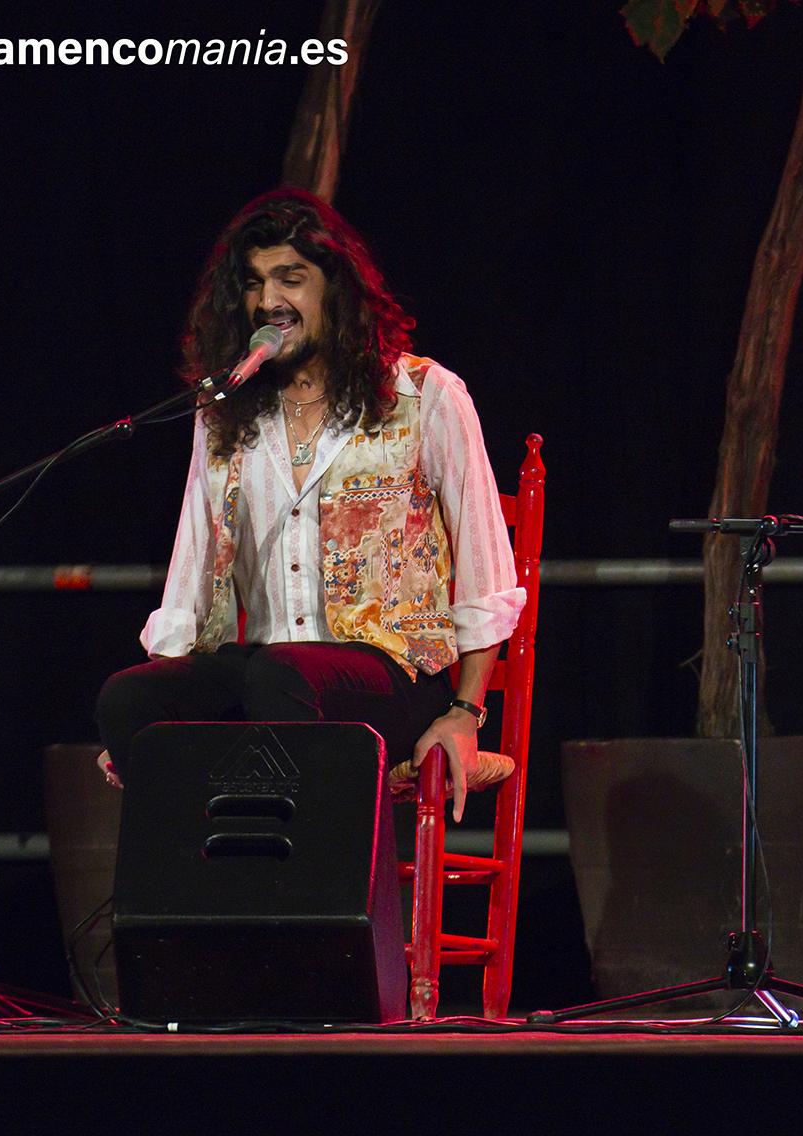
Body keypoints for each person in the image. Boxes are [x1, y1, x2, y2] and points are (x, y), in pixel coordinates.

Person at [97, 188, 524, 822]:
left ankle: (293, 898)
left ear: (337, 287)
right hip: (274, 677)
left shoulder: (423, 395)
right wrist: (163, 704)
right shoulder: (224, 416)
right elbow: (188, 578)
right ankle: (199, 898)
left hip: (398, 676)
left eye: (290, 279)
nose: (269, 301)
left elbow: (488, 581)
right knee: (128, 699)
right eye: (254, 284)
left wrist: (465, 715)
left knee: (282, 677)